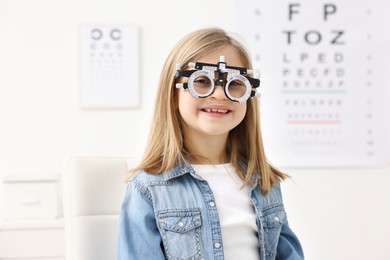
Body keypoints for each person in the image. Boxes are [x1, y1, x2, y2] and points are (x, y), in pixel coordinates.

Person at [117, 27, 304, 260]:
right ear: (173, 95)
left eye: (235, 83)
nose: (219, 94)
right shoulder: (148, 188)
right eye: (202, 81)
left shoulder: (264, 181)